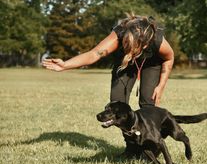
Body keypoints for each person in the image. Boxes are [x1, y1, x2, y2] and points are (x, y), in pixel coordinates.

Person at [42, 14, 174, 156]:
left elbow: (169, 58)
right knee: (117, 105)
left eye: (131, 46)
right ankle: (131, 149)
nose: (126, 47)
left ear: (145, 44)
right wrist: (65, 65)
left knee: (148, 104)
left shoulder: (157, 40)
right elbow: (94, 54)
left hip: (151, 64)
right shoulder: (119, 33)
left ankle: (151, 149)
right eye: (125, 44)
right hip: (125, 63)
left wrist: (160, 86)